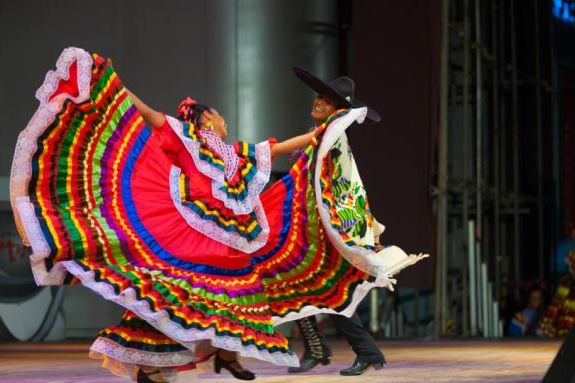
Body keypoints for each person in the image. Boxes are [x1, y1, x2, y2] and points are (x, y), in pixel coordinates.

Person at [10, 48, 426, 382]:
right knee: (178, 290)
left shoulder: (236, 153)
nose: (224, 119)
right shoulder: (188, 138)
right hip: (190, 231)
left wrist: (337, 124)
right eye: (218, 114)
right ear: (207, 117)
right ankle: (168, 362)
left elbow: (282, 148)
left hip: (224, 239)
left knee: (211, 299)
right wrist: (119, 90)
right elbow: (151, 116)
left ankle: (200, 359)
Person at [287, 67, 387, 376]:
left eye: (325, 100)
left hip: (335, 226)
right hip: (326, 223)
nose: (317, 101)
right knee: (305, 284)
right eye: (318, 96)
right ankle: (322, 347)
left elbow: (343, 186)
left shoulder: (331, 136)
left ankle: (360, 350)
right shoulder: (324, 133)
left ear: (337, 110)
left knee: (330, 291)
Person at [538, 250, 575, 337]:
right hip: (566, 334)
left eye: (571, 266)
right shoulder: (566, 285)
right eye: (570, 267)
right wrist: (544, 327)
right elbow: (554, 308)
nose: (570, 269)